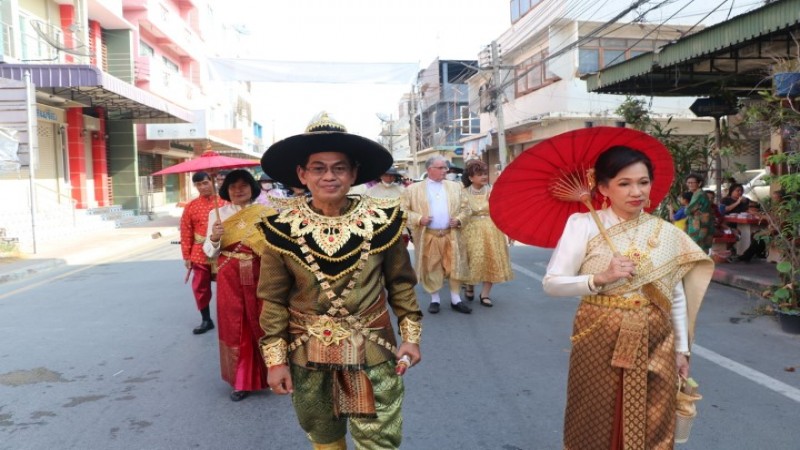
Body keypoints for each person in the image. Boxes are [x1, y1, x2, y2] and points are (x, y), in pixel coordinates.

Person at [256, 113, 422, 450]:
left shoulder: (384, 222)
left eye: (339, 167)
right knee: (324, 436)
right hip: (307, 354)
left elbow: (401, 284)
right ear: (302, 174)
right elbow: (272, 300)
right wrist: (274, 361)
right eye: (318, 168)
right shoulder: (279, 229)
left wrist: (411, 337)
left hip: (374, 349)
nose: (329, 176)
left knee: (379, 440)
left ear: (354, 173)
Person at [542, 146, 713, 449]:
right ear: (603, 187)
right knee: (594, 416)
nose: (636, 191)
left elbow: (673, 295)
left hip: (655, 336)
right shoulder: (582, 225)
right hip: (598, 332)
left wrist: (682, 350)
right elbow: (552, 284)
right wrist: (600, 278)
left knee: (654, 416)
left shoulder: (663, 232)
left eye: (643, 182)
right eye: (624, 183)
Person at [203, 170, 275, 401]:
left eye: (244, 185)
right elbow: (208, 252)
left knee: (266, 322)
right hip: (229, 276)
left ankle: (274, 374)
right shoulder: (217, 215)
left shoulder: (266, 213)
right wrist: (214, 237)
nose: (238, 190)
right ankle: (240, 381)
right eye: (233, 186)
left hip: (260, 274)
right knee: (235, 326)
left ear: (252, 187)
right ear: (226, 190)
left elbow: (276, 249)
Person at [401, 155, 472, 314]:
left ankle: (456, 299)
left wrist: (459, 220)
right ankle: (435, 299)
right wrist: (419, 219)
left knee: (454, 266)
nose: (445, 171)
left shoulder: (456, 187)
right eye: (440, 168)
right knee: (431, 266)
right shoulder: (413, 189)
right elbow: (403, 210)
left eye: (445, 168)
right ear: (429, 170)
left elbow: (466, 209)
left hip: (451, 234)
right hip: (429, 235)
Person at [460, 160, 513, 307]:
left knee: (492, 260)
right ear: (471, 177)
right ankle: (470, 285)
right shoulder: (463, 193)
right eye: (479, 174)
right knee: (473, 260)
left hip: (492, 229)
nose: (483, 177)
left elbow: (503, 212)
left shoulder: (492, 191)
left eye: (484, 173)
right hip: (470, 230)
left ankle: (485, 294)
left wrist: (509, 230)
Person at [180, 171, 223, 334]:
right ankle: (206, 319)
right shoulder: (191, 206)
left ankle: (232, 318)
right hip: (199, 251)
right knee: (200, 286)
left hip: (223, 249)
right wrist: (186, 255)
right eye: (198, 184)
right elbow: (186, 231)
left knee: (228, 286)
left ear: (212, 181)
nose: (202, 187)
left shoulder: (225, 202)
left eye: (205, 183)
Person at [685, 173, 715, 253]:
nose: (690, 184)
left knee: (698, 248)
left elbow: (688, 210)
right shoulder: (697, 193)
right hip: (701, 224)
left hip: (699, 225)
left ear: (699, 183)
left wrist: (686, 206)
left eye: (692, 183)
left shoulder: (699, 194)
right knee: (701, 248)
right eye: (688, 182)